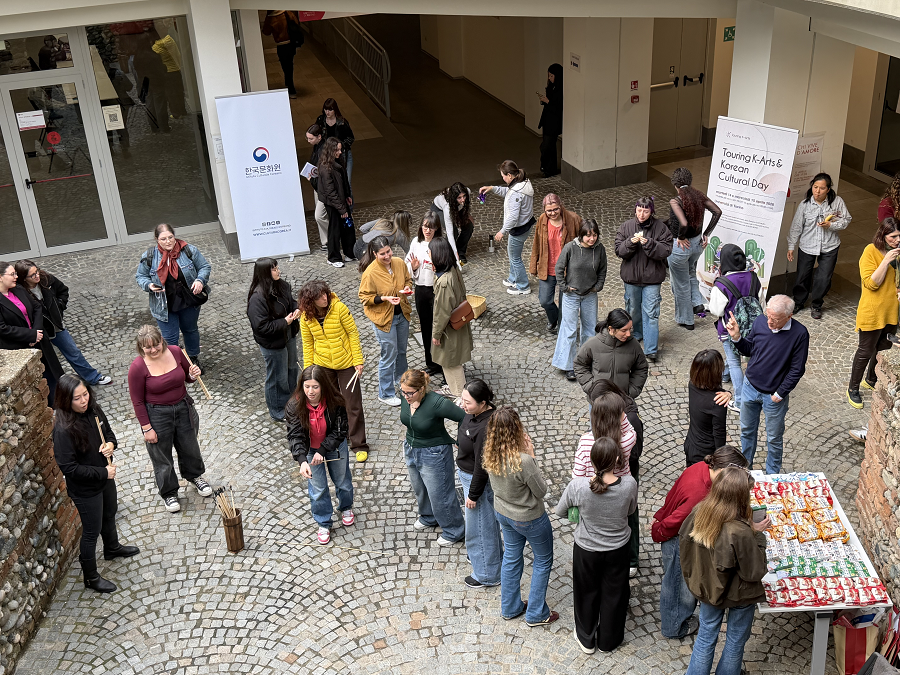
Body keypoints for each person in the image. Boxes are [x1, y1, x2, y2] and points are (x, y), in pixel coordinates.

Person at [52, 374, 139, 593]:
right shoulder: (63, 430)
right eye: (77, 398)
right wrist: (102, 472)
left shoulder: (94, 410)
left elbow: (109, 434)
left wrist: (110, 444)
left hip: (104, 477)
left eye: (86, 394)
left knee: (110, 513)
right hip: (86, 488)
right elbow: (69, 468)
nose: (84, 401)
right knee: (92, 531)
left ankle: (112, 548)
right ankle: (90, 577)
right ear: (66, 400)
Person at [652, 446, 748, 640]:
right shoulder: (699, 493)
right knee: (679, 585)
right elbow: (676, 521)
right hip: (678, 540)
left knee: (677, 582)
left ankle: (677, 620)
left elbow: (673, 496)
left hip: (679, 534)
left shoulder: (700, 467)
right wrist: (659, 531)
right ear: (722, 471)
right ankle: (674, 627)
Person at [680, 466, 770, 675]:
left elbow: (685, 546)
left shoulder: (699, 511)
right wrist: (757, 536)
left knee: (706, 636)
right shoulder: (739, 531)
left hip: (708, 588)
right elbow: (753, 572)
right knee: (735, 641)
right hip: (738, 594)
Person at [555, 437, 637, 653]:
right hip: (618, 548)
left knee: (585, 592)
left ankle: (586, 638)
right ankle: (609, 640)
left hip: (586, 549)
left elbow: (559, 511)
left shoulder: (578, 486)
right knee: (615, 594)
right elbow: (630, 511)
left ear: (591, 462)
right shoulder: (629, 484)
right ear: (617, 459)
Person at [482, 406, 557, 626]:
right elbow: (541, 491)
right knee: (543, 560)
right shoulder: (523, 461)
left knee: (512, 557)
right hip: (529, 517)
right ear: (517, 429)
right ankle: (536, 613)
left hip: (504, 513)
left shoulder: (490, 452)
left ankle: (510, 607)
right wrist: (532, 456)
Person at [127, 324, 213, 513]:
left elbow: (187, 378)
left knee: (189, 446)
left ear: (162, 341)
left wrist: (192, 374)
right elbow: (138, 402)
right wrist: (147, 428)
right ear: (141, 347)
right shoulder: (137, 367)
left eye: (156, 345)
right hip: (157, 414)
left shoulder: (175, 352)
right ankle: (169, 492)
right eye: (148, 347)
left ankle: (195, 476)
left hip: (183, 407)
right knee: (161, 456)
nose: (153, 350)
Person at [724, 295, 809, 474]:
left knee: (774, 439)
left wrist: (780, 394)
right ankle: (744, 469)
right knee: (747, 431)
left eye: (774, 319)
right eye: (767, 316)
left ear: (789, 316)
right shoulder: (761, 321)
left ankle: (772, 475)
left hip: (774, 396)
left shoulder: (800, 334)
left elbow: (797, 369)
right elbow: (750, 349)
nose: (769, 321)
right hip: (750, 387)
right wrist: (738, 337)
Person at [298, 280, 368, 463]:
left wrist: (357, 360)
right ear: (310, 300)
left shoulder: (340, 308)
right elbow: (308, 343)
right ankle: (336, 437)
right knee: (330, 404)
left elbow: (353, 333)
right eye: (319, 296)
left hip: (345, 363)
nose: (324, 298)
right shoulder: (305, 317)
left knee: (352, 403)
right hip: (322, 365)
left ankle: (359, 444)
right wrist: (309, 370)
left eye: (325, 294)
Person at [573, 390, 640, 576]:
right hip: (618, 497)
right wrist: (622, 416)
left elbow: (577, 476)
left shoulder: (586, 441)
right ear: (618, 418)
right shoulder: (627, 440)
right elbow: (630, 429)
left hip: (592, 495)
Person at [286, 365, 354, 545]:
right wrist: (302, 460)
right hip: (309, 450)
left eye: (315, 387)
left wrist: (322, 451)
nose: (310, 391)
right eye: (307, 386)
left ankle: (346, 507)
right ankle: (323, 522)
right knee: (318, 489)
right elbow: (295, 435)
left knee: (342, 481)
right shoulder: (294, 405)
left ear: (323, 386)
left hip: (334, 446)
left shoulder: (336, 401)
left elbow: (340, 430)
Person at [15, 260, 112, 387]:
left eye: (37, 271)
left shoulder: (46, 279)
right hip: (39, 330)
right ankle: (56, 390)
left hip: (56, 325)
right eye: (32, 275)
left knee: (73, 352)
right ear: (24, 278)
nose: (37, 275)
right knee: (47, 362)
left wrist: (59, 307)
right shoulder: (19, 291)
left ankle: (92, 377)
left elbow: (63, 291)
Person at [398, 369, 466, 546]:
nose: (405, 396)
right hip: (411, 448)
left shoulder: (437, 403)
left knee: (440, 494)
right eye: (403, 391)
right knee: (420, 487)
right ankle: (428, 516)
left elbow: (464, 417)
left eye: (410, 392)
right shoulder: (407, 399)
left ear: (421, 389)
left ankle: (454, 530)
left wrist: (460, 440)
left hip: (434, 453)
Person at [135, 224, 211, 373]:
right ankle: (175, 362)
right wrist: (149, 285)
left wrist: (200, 280)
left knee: (190, 330)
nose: (168, 241)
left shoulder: (189, 250)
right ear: (157, 239)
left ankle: (193, 358)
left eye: (170, 237)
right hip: (163, 305)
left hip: (188, 301)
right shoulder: (149, 256)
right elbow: (140, 276)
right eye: (163, 239)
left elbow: (204, 267)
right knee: (170, 337)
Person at [848, 217, 900, 408]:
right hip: (872, 310)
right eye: (893, 236)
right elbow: (871, 283)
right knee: (865, 350)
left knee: (883, 348)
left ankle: (871, 380)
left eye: (899, 236)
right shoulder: (870, 251)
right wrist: (886, 260)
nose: (897, 240)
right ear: (883, 235)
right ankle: (853, 388)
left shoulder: (899, 254)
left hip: (891, 310)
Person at [708, 244, 764, 415]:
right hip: (753, 329)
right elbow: (761, 303)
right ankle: (725, 376)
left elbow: (716, 311)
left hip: (729, 330)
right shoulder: (754, 278)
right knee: (744, 360)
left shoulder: (722, 284)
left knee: (734, 363)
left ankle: (740, 401)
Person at [615, 196, 673, 360]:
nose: (641, 214)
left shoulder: (661, 228)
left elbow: (666, 250)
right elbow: (619, 250)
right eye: (639, 210)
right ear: (635, 210)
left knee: (651, 313)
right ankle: (637, 333)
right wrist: (630, 243)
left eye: (645, 211)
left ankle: (651, 349)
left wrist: (649, 243)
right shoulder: (626, 227)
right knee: (633, 309)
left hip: (652, 280)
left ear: (651, 211)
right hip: (631, 279)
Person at [787, 172, 852, 320]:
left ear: (828, 189)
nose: (817, 191)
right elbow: (796, 226)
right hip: (807, 245)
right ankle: (798, 302)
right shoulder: (804, 205)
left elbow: (846, 220)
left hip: (830, 246)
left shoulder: (837, 202)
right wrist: (791, 246)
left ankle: (816, 304)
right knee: (803, 275)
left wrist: (831, 225)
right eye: (815, 187)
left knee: (823, 278)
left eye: (822, 188)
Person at [358, 236, 413, 406]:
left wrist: (407, 288)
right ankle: (386, 393)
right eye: (382, 254)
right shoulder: (370, 273)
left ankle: (402, 382)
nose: (387, 256)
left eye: (388, 251)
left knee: (402, 351)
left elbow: (408, 280)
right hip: (384, 319)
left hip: (402, 314)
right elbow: (364, 298)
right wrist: (384, 298)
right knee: (389, 355)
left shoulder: (399, 263)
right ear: (375, 254)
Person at [457, 379, 501, 588]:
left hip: (476, 481)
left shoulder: (486, 427)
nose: (463, 406)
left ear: (483, 403)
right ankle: (488, 560)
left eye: (468, 403)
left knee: (480, 528)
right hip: (471, 475)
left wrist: (473, 495)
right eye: (463, 400)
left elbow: (482, 465)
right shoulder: (478, 414)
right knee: (485, 523)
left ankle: (487, 574)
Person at [0, 260, 62, 405]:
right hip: (20, 346)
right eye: (12, 274)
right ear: (0, 277)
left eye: (15, 273)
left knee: (54, 375)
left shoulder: (19, 289)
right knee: (37, 383)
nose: (16, 276)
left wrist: (37, 331)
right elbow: (2, 328)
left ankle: (63, 404)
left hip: (40, 340)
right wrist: (30, 335)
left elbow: (36, 308)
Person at [667, 167, 722, 330]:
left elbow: (683, 223)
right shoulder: (699, 196)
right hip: (698, 244)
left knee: (680, 284)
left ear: (675, 184)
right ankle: (698, 302)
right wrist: (706, 234)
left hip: (680, 247)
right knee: (690, 273)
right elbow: (717, 212)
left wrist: (681, 237)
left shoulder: (676, 201)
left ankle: (687, 320)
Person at [246, 257, 300, 422]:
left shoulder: (282, 286)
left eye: (277, 268)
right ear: (265, 273)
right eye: (275, 269)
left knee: (292, 369)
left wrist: (296, 309)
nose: (279, 271)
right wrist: (285, 322)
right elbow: (261, 327)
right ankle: (277, 410)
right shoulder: (257, 298)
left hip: (288, 335)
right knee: (277, 376)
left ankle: (292, 402)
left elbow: (291, 302)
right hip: (273, 343)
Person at [552, 219, 607, 381]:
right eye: (588, 236)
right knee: (569, 331)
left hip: (590, 294)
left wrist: (598, 286)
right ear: (581, 235)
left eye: (595, 235)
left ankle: (584, 363)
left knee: (590, 330)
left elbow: (603, 269)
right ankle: (568, 365)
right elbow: (559, 268)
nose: (592, 239)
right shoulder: (570, 247)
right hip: (571, 295)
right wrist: (564, 287)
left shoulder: (600, 249)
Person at [479, 161, 535, 296]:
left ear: (509, 175)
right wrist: (492, 188)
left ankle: (523, 286)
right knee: (513, 254)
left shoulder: (516, 191)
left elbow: (513, 217)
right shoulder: (522, 183)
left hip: (518, 229)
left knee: (515, 257)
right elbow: (508, 192)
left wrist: (502, 231)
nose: (503, 178)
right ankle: (513, 278)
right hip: (526, 224)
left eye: (503, 176)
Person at [529, 193, 582, 333]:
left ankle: (561, 327)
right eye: (549, 210)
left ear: (561, 206)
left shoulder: (574, 219)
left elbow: (585, 241)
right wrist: (534, 264)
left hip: (568, 269)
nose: (552, 213)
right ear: (544, 210)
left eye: (555, 209)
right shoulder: (542, 220)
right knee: (545, 301)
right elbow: (537, 243)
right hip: (548, 267)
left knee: (566, 303)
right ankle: (554, 320)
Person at [430, 237, 474, 399]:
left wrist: (436, 334)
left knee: (450, 362)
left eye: (430, 253)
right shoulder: (453, 269)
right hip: (457, 322)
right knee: (452, 359)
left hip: (449, 328)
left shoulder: (444, 281)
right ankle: (454, 389)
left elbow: (442, 311)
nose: (429, 255)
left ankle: (459, 395)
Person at [574, 309, 649, 401]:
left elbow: (641, 368)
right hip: (598, 402)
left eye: (630, 329)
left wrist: (631, 391)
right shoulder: (592, 344)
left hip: (623, 401)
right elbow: (580, 365)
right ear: (611, 329)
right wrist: (592, 388)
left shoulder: (634, 345)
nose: (628, 334)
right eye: (624, 330)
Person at [405, 212, 444, 377]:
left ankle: (443, 362)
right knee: (426, 326)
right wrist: (413, 267)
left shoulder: (440, 244)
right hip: (421, 289)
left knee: (440, 327)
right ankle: (431, 363)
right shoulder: (416, 242)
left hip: (436, 289)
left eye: (431, 227)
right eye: (425, 226)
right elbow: (407, 263)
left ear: (436, 229)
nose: (427, 230)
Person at [684, 350, 732, 466]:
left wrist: (728, 393)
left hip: (691, 444)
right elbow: (719, 436)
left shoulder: (692, 385)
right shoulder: (717, 402)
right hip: (706, 454)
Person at [317, 137, 354, 268]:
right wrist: (342, 209)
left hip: (341, 200)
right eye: (337, 150)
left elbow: (344, 182)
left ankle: (350, 252)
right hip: (333, 204)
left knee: (347, 227)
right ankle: (333, 257)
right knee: (335, 229)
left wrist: (348, 196)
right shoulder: (325, 168)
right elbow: (330, 192)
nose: (339, 152)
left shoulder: (337, 162)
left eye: (340, 149)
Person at [262, 11, 303, 98]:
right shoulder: (287, 12)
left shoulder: (270, 18)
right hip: (290, 42)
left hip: (281, 45)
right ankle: (289, 84)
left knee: (285, 65)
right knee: (289, 64)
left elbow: (266, 32)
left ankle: (291, 88)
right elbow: (296, 22)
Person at [431, 182, 475, 264]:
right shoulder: (446, 206)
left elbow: (464, 206)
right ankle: (448, 254)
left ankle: (460, 251)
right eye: (459, 197)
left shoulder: (467, 191)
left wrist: (467, 215)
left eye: (464, 196)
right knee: (454, 231)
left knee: (469, 226)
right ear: (454, 198)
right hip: (439, 209)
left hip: (457, 208)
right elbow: (450, 232)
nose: (463, 199)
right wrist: (455, 256)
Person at [315, 98, 355, 183]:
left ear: (335, 110)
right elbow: (316, 135)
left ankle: (348, 196)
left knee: (346, 182)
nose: (327, 112)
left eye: (330, 109)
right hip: (327, 154)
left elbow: (350, 138)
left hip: (343, 155)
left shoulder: (342, 122)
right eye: (326, 109)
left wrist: (339, 147)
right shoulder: (321, 121)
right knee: (330, 181)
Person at [304, 124, 329, 250]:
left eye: (311, 139)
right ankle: (325, 242)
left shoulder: (324, 150)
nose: (309, 141)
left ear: (319, 137)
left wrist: (313, 178)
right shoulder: (317, 147)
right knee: (322, 215)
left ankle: (330, 239)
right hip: (318, 186)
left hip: (323, 188)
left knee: (319, 215)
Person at [537, 63, 563, 178]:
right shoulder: (551, 87)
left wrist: (548, 102)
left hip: (554, 122)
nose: (549, 78)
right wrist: (544, 101)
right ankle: (549, 169)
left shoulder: (560, 88)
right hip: (547, 120)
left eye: (552, 76)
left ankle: (547, 167)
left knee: (547, 146)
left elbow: (558, 107)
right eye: (549, 76)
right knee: (549, 146)